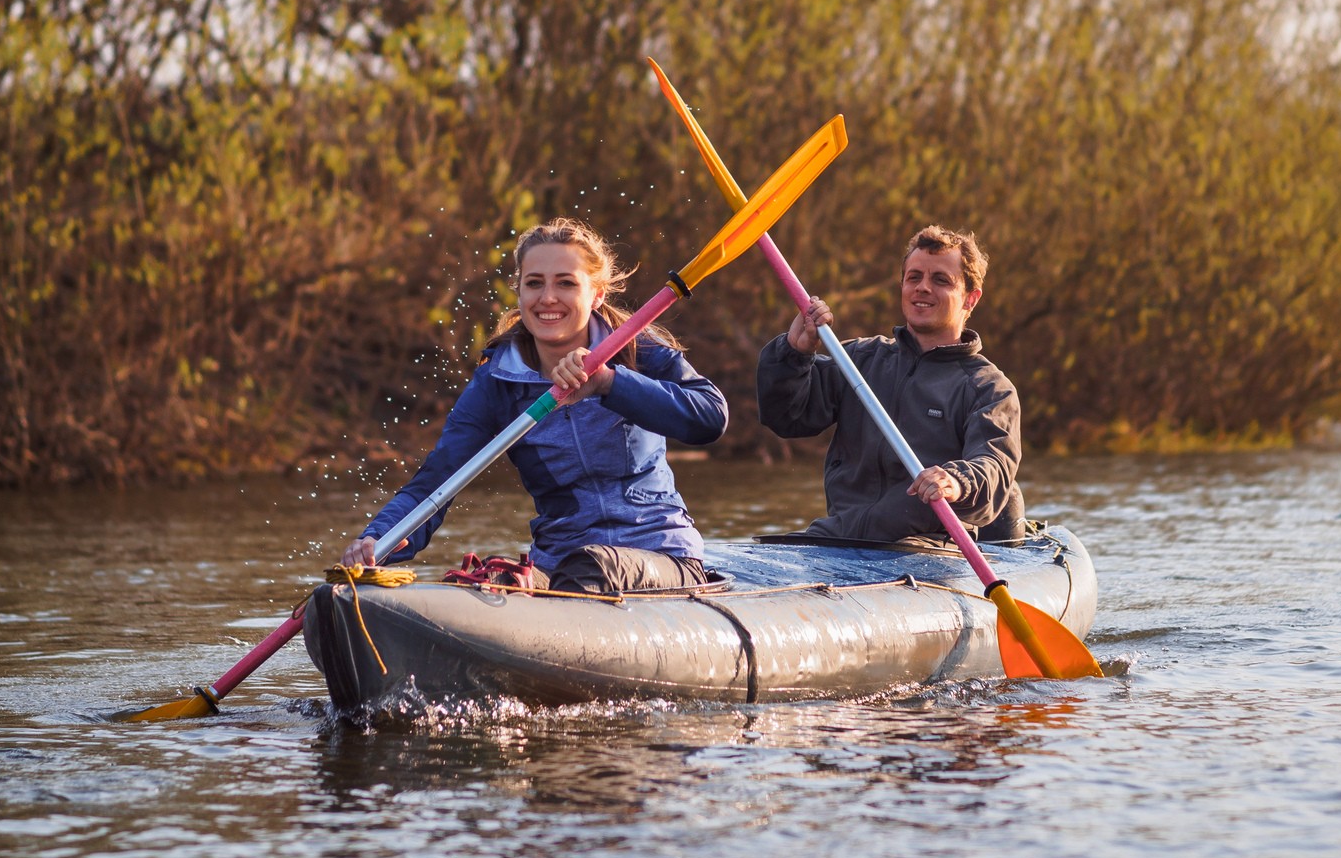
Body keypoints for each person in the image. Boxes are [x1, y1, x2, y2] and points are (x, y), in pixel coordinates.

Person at [340, 218, 727, 594]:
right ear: (520, 293)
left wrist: (609, 382)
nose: (547, 298)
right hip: (557, 565)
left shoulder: (638, 349)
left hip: (660, 554)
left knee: (591, 567)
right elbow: (436, 482)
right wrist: (379, 539)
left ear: (596, 295)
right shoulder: (496, 381)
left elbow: (709, 417)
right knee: (491, 578)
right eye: (534, 284)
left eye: (566, 283)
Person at [756, 224, 1025, 545]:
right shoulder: (856, 359)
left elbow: (993, 467)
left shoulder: (990, 388)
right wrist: (794, 353)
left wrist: (956, 481)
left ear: (970, 299)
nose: (923, 288)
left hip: (928, 545)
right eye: (914, 277)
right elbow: (786, 417)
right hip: (840, 537)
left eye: (941, 280)